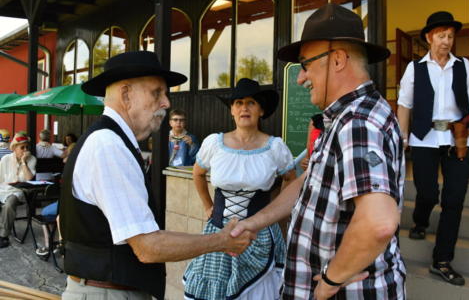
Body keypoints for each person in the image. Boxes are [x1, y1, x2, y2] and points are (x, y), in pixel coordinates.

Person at [231, 3, 406, 300]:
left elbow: (379, 222)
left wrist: (328, 281)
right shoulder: (345, 118)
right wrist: (254, 222)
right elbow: (309, 182)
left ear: (337, 60)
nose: (300, 78)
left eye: (306, 65)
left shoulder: (357, 123)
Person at [59, 51, 254, 300]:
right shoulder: (109, 145)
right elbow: (147, 248)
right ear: (126, 95)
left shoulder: (109, 140)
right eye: (157, 92)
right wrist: (221, 241)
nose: (166, 103)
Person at [183, 78, 296, 300]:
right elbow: (198, 173)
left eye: (251, 102)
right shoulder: (214, 143)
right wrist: (208, 206)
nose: (244, 107)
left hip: (260, 234)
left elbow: (290, 179)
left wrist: (273, 211)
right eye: (238, 103)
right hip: (218, 232)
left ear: (261, 111)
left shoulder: (275, 147)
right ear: (232, 111)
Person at [397, 11, 469, 286]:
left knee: (454, 199)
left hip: (457, 140)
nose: (446, 41)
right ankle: (420, 221)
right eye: (441, 35)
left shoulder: (463, 66)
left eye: (450, 36)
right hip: (424, 139)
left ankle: (442, 260)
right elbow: (404, 105)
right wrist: (402, 137)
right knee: (428, 192)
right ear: (429, 37)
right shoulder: (415, 68)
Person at [0, 131, 37, 248]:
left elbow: (29, 179)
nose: (25, 150)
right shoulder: (5, 159)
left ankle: (3, 235)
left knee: (9, 204)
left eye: (27, 147)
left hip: (19, 192)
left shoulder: (31, 159)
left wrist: (23, 162)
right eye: (22, 147)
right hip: (3, 189)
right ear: (14, 148)